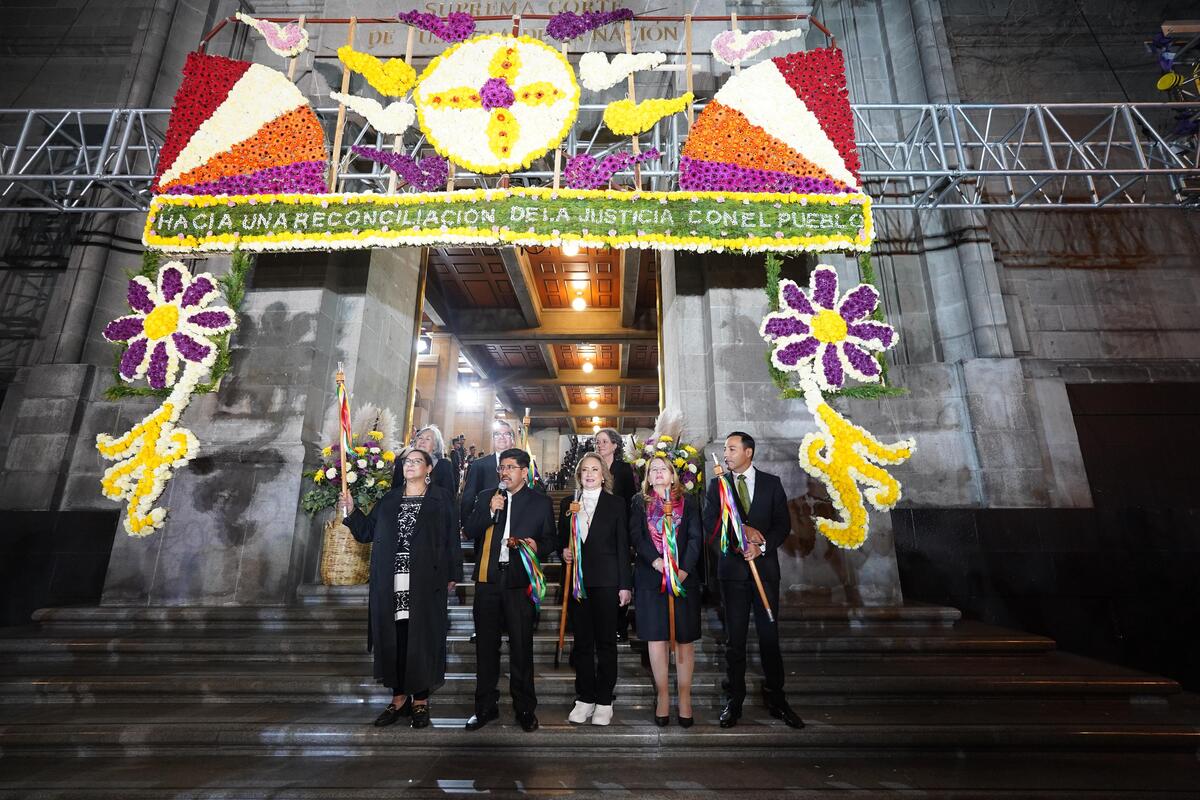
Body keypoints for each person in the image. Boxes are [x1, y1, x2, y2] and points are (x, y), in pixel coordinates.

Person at [339, 447, 460, 729]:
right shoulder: (390, 499)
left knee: (422, 637)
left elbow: (451, 537)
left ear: (429, 469)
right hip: (390, 579)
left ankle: (420, 699)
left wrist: (453, 573)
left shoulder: (441, 499)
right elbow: (367, 532)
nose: (410, 465)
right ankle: (398, 697)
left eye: (418, 461)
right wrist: (351, 508)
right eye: (407, 461)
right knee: (397, 636)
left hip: (425, 579)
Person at [703, 432, 804, 729]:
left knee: (769, 637)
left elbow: (782, 525)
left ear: (749, 452)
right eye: (725, 449)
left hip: (766, 573)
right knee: (735, 640)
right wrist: (740, 535)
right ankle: (734, 699)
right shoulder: (717, 486)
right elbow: (711, 524)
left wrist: (760, 547)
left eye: (732, 449)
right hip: (732, 574)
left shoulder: (771, 484)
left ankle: (777, 698)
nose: (726, 453)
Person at [463, 447, 555, 732]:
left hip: (519, 582)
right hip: (489, 580)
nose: (504, 472)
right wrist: (491, 510)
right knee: (486, 649)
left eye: (510, 467)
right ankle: (484, 708)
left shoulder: (539, 502)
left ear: (524, 472)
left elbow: (550, 539)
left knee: (521, 647)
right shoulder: (486, 497)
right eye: (502, 467)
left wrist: (536, 545)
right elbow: (471, 530)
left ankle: (525, 708)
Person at [557, 453, 632, 726]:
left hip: (608, 581)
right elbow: (559, 541)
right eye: (585, 470)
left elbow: (623, 545)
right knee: (583, 644)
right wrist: (563, 550)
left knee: (606, 644)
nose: (589, 474)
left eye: (595, 470)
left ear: (603, 475)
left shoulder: (616, 504)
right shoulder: (569, 503)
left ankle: (604, 700)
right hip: (578, 583)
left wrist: (625, 584)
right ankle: (585, 697)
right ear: (579, 475)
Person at [630, 455, 702, 728]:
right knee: (656, 639)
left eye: (663, 469)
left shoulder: (690, 502)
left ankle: (685, 697)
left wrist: (682, 570)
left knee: (684, 638)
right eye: (653, 470)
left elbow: (695, 538)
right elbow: (636, 536)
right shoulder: (640, 503)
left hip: (684, 579)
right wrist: (657, 562)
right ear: (648, 478)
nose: (658, 473)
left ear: (673, 475)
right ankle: (662, 695)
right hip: (651, 578)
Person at [593, 428, 637, 641]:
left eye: (603, 441)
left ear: (614, 445)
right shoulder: (592, 467)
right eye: (597, 442)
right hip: (598, 533)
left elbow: (629, 501)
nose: (599, 445)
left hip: (618, 529)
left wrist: (628, 535)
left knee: (620, 577)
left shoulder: (624, 469)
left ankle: (620, 624)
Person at [460, 421, 516, 526]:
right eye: (497, 434)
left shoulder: (523, 465)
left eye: (506, 434)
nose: (502, 437)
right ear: (493, 439)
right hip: (485, 526)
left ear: (513, 440)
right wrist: (466, 525)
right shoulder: (480, 464)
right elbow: (469, 497)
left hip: (515, 525)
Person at [406, 425, 457, 499]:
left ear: (435, 446)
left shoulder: (444, 465)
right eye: (420, 438)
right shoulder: (403, 463)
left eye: (428, 439)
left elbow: (448, 496)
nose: (422, 441)